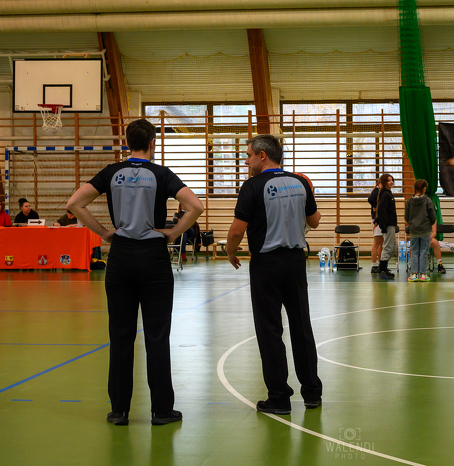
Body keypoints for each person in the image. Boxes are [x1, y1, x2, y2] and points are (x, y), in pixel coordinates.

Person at [67, 118, 203, 426]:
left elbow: (75, 203)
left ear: (127, 143)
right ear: (153, 143)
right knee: (157, 335)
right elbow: (195, 206)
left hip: (121, 257)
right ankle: (162, 410)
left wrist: (105, 233)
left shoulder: (111, 172)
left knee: (120, 335)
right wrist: (173, 233)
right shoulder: (161, 174)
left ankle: (119, 410)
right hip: (153, 259)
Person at [226, 134, 323, 415]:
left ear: (262, 155)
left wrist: (230, 251)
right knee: (301, 326)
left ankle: (279, 398)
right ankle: (312, 393)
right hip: (295, 262)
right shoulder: (300, 182)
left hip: (266, 265)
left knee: (269, 330)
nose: (246, 161)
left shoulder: (252, 186)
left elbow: (236, 230)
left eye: (249, 156)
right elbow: (315, 221)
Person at [405, 179, 437, 282]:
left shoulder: (410, 201)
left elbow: (406, 216)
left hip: (414, 230)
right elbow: (432, 215)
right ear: (424, 188)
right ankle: (423, 274)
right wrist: (430, 223)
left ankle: (414, 274)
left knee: (414, 251)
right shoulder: (428, 200)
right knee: (424, 252)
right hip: (425, 230)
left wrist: (412, 223)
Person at [375, 174, 398, 280]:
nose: (391, 182)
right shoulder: (385, 194)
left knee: (394, 248)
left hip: (391, 225)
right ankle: (382, 270)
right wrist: (383, 225)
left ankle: (383, 267)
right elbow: (381, 210)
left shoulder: (388, 193)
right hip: (387, 225)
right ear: (384, 182)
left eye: (392, 180)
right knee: (388, 248)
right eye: (389, 180)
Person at [367, 181, 383, 274]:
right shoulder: (377, 190)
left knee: (381, 244)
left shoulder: (382, 192)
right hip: (376, 220)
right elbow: (370, 199)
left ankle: (381, 264)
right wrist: (376, 206)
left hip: (381, 220)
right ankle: (374, 265)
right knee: (376, 243)